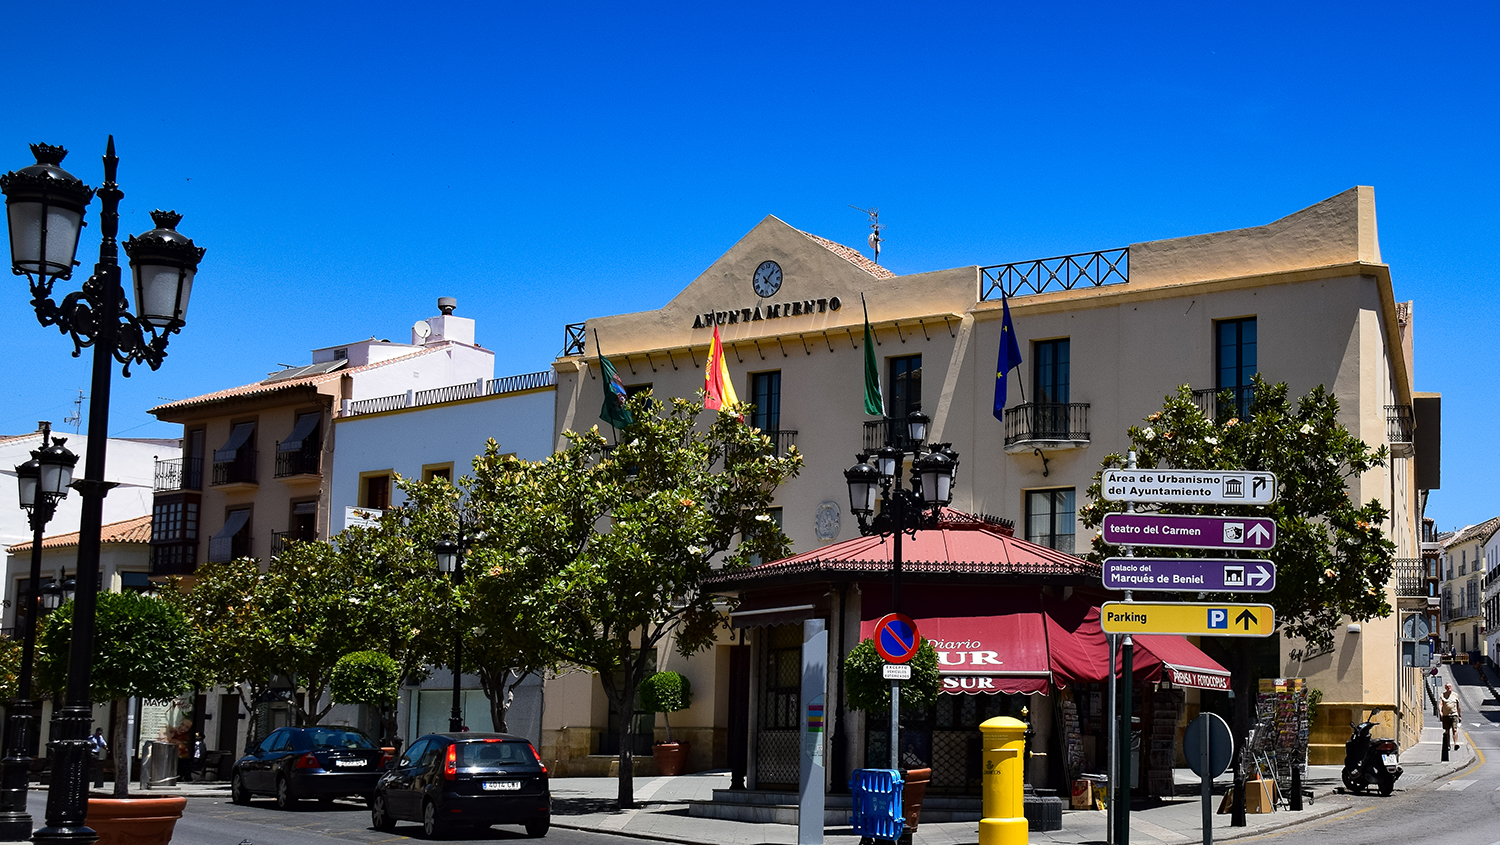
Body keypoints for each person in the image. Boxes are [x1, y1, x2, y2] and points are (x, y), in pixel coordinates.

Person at [1440, 682, 1462, 751]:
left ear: (1451, 687)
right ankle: (1448, 745)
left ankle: (1455, 743)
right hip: (1446, 715)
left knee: (1454, 729)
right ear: (1445, 688)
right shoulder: (1442, 695)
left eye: (1449, 686)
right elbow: (1440, 704)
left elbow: (1458, 706)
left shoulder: (1455, 695)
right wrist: (1440, 712)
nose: (1448, 688)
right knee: (1447, 731)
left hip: (1454, 714)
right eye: (1447, 687)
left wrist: (1459, 715)